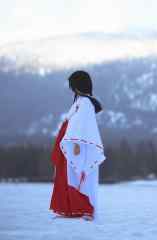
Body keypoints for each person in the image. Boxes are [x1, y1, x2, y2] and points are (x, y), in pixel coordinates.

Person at [49, 70, 106, 221]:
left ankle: (85, 208)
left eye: (73, 87)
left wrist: (77, 143)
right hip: (69, 144)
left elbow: (83, 126)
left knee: (77, 175)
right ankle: (70, 208)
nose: (72, 90)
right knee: (67, 176)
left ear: (78, 86)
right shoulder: (80, 101)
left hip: (76, 145)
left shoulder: (85, 103)